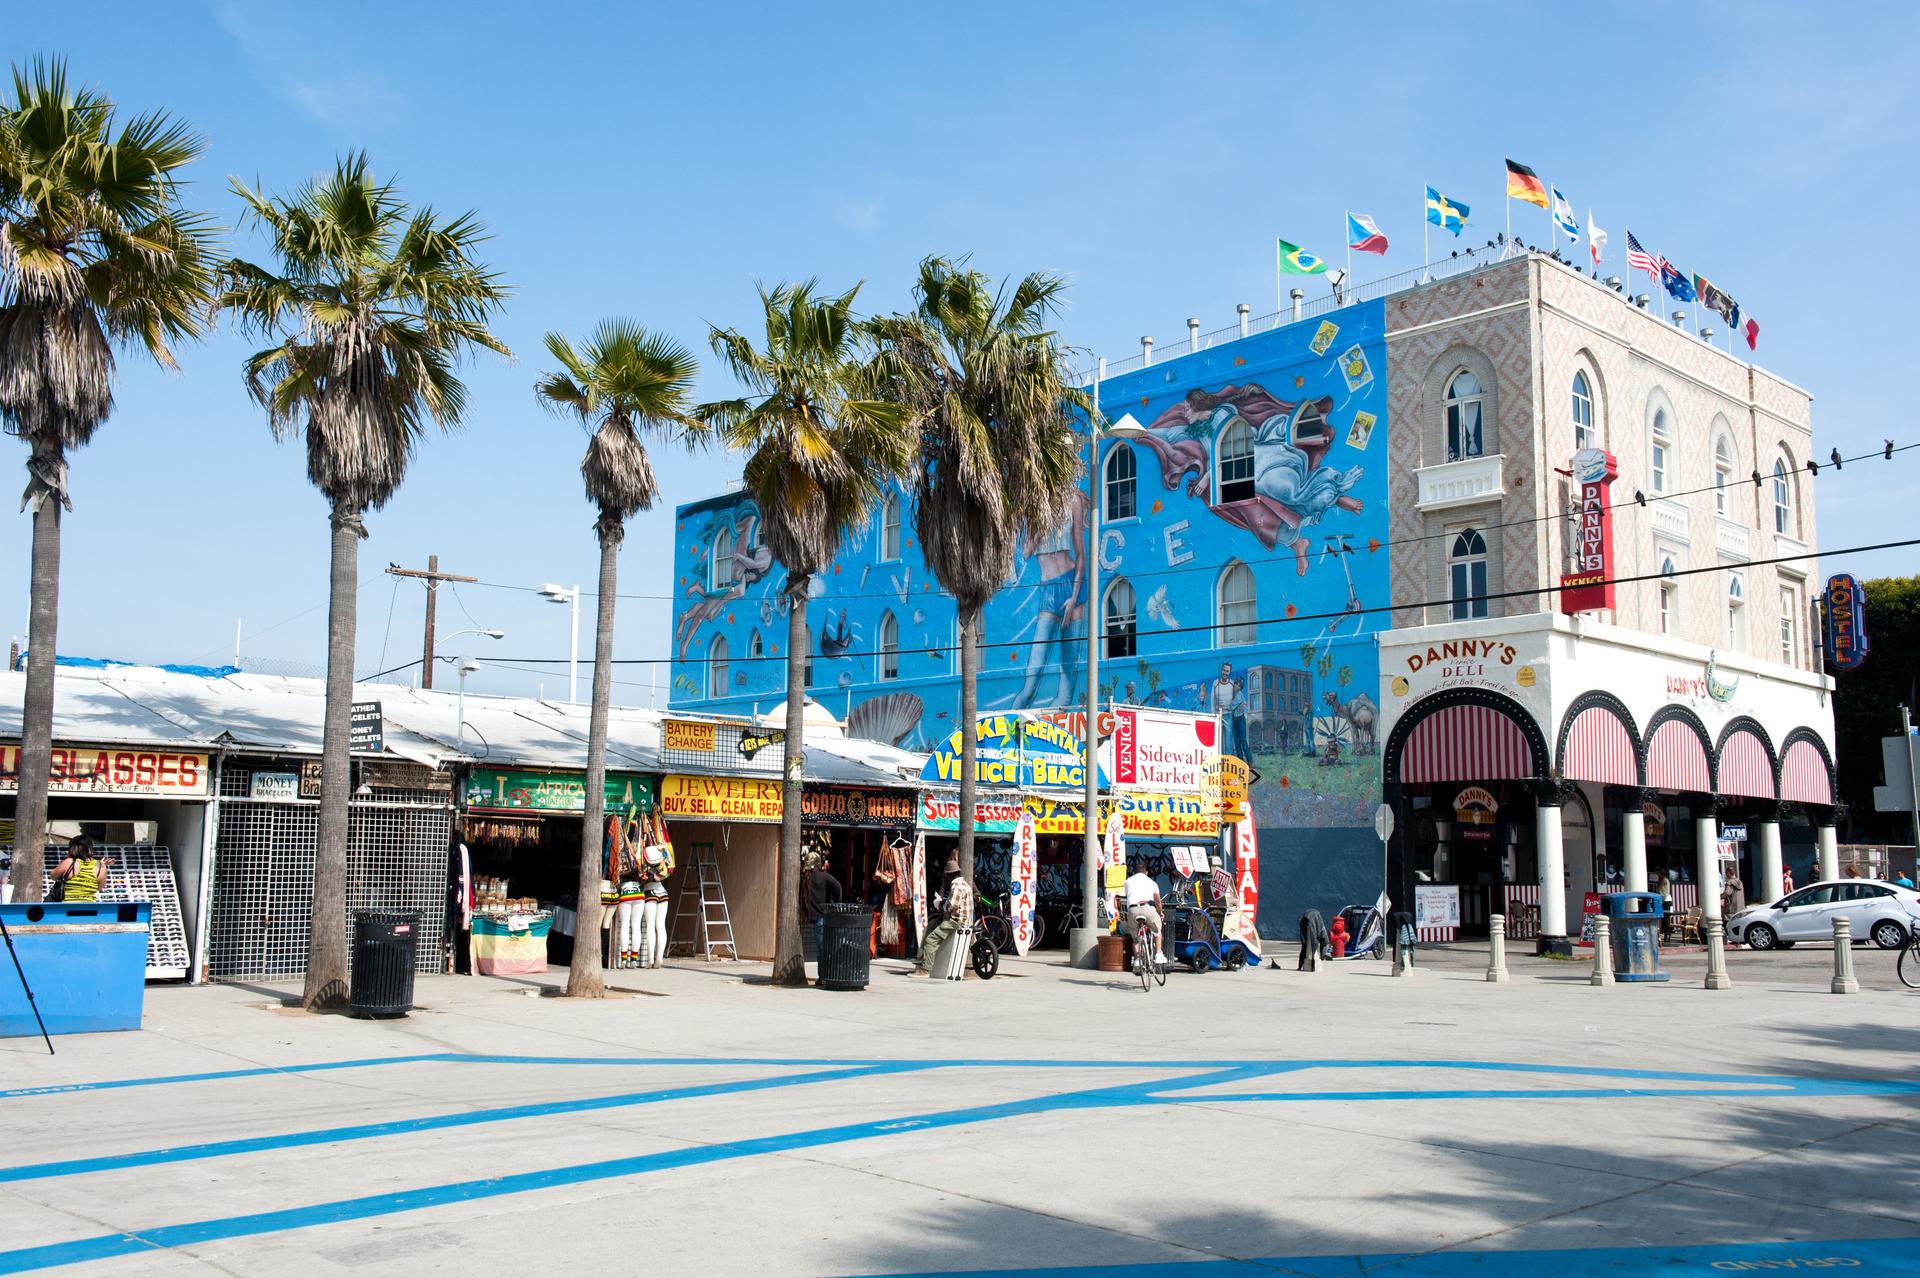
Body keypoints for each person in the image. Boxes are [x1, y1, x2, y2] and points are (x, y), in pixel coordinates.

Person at [912, 856, 972, 976]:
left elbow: (951, 906)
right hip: (960, 919)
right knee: (932, 925)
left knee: (931, 940)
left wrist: (941, 905)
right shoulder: (965, 884)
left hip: (956, 922)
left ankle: (925, 969)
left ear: (949, 875)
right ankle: (921, 956)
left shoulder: (957, 887)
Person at [799, 848, 842, 961]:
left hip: (807, 916)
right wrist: (836, 902)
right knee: (822, 949)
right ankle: (822, 976)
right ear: (818, 863)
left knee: (819, 948)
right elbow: (837, 886)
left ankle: (822, 976)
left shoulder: (803, 878)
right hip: (821, 916)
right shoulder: (824, 876)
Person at [1123, 861, 1166, 967]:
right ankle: (1158, 955)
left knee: (1135, 938)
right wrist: (1160, 913)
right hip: (1148, 908)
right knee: (1157, 931)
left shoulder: (1127, 882)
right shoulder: (1152, 883)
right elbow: (1158, 902)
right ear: (1146, 872)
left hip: (1133, 910)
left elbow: (1126, 896)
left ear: (1134, 872)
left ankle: (1137, 960)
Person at [50, 836, 109, 903]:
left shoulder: (70, 862)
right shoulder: (101, 866)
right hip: (90, 907)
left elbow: (53, 876)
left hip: (67, 908)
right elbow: (99, 888)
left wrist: (62, 863)